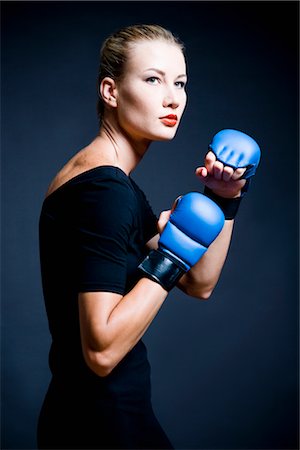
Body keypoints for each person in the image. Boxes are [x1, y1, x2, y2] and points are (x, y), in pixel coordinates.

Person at [37, 24, 249, 450]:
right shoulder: (105, 190)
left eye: (180, 82)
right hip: (104, 425)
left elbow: (198, 283)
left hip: (88, 417)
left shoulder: (101, 179)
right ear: (111, 92)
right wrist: (170, 255)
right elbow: (101, 352)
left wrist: (224, 200)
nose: (173, 97)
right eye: (153, 79)